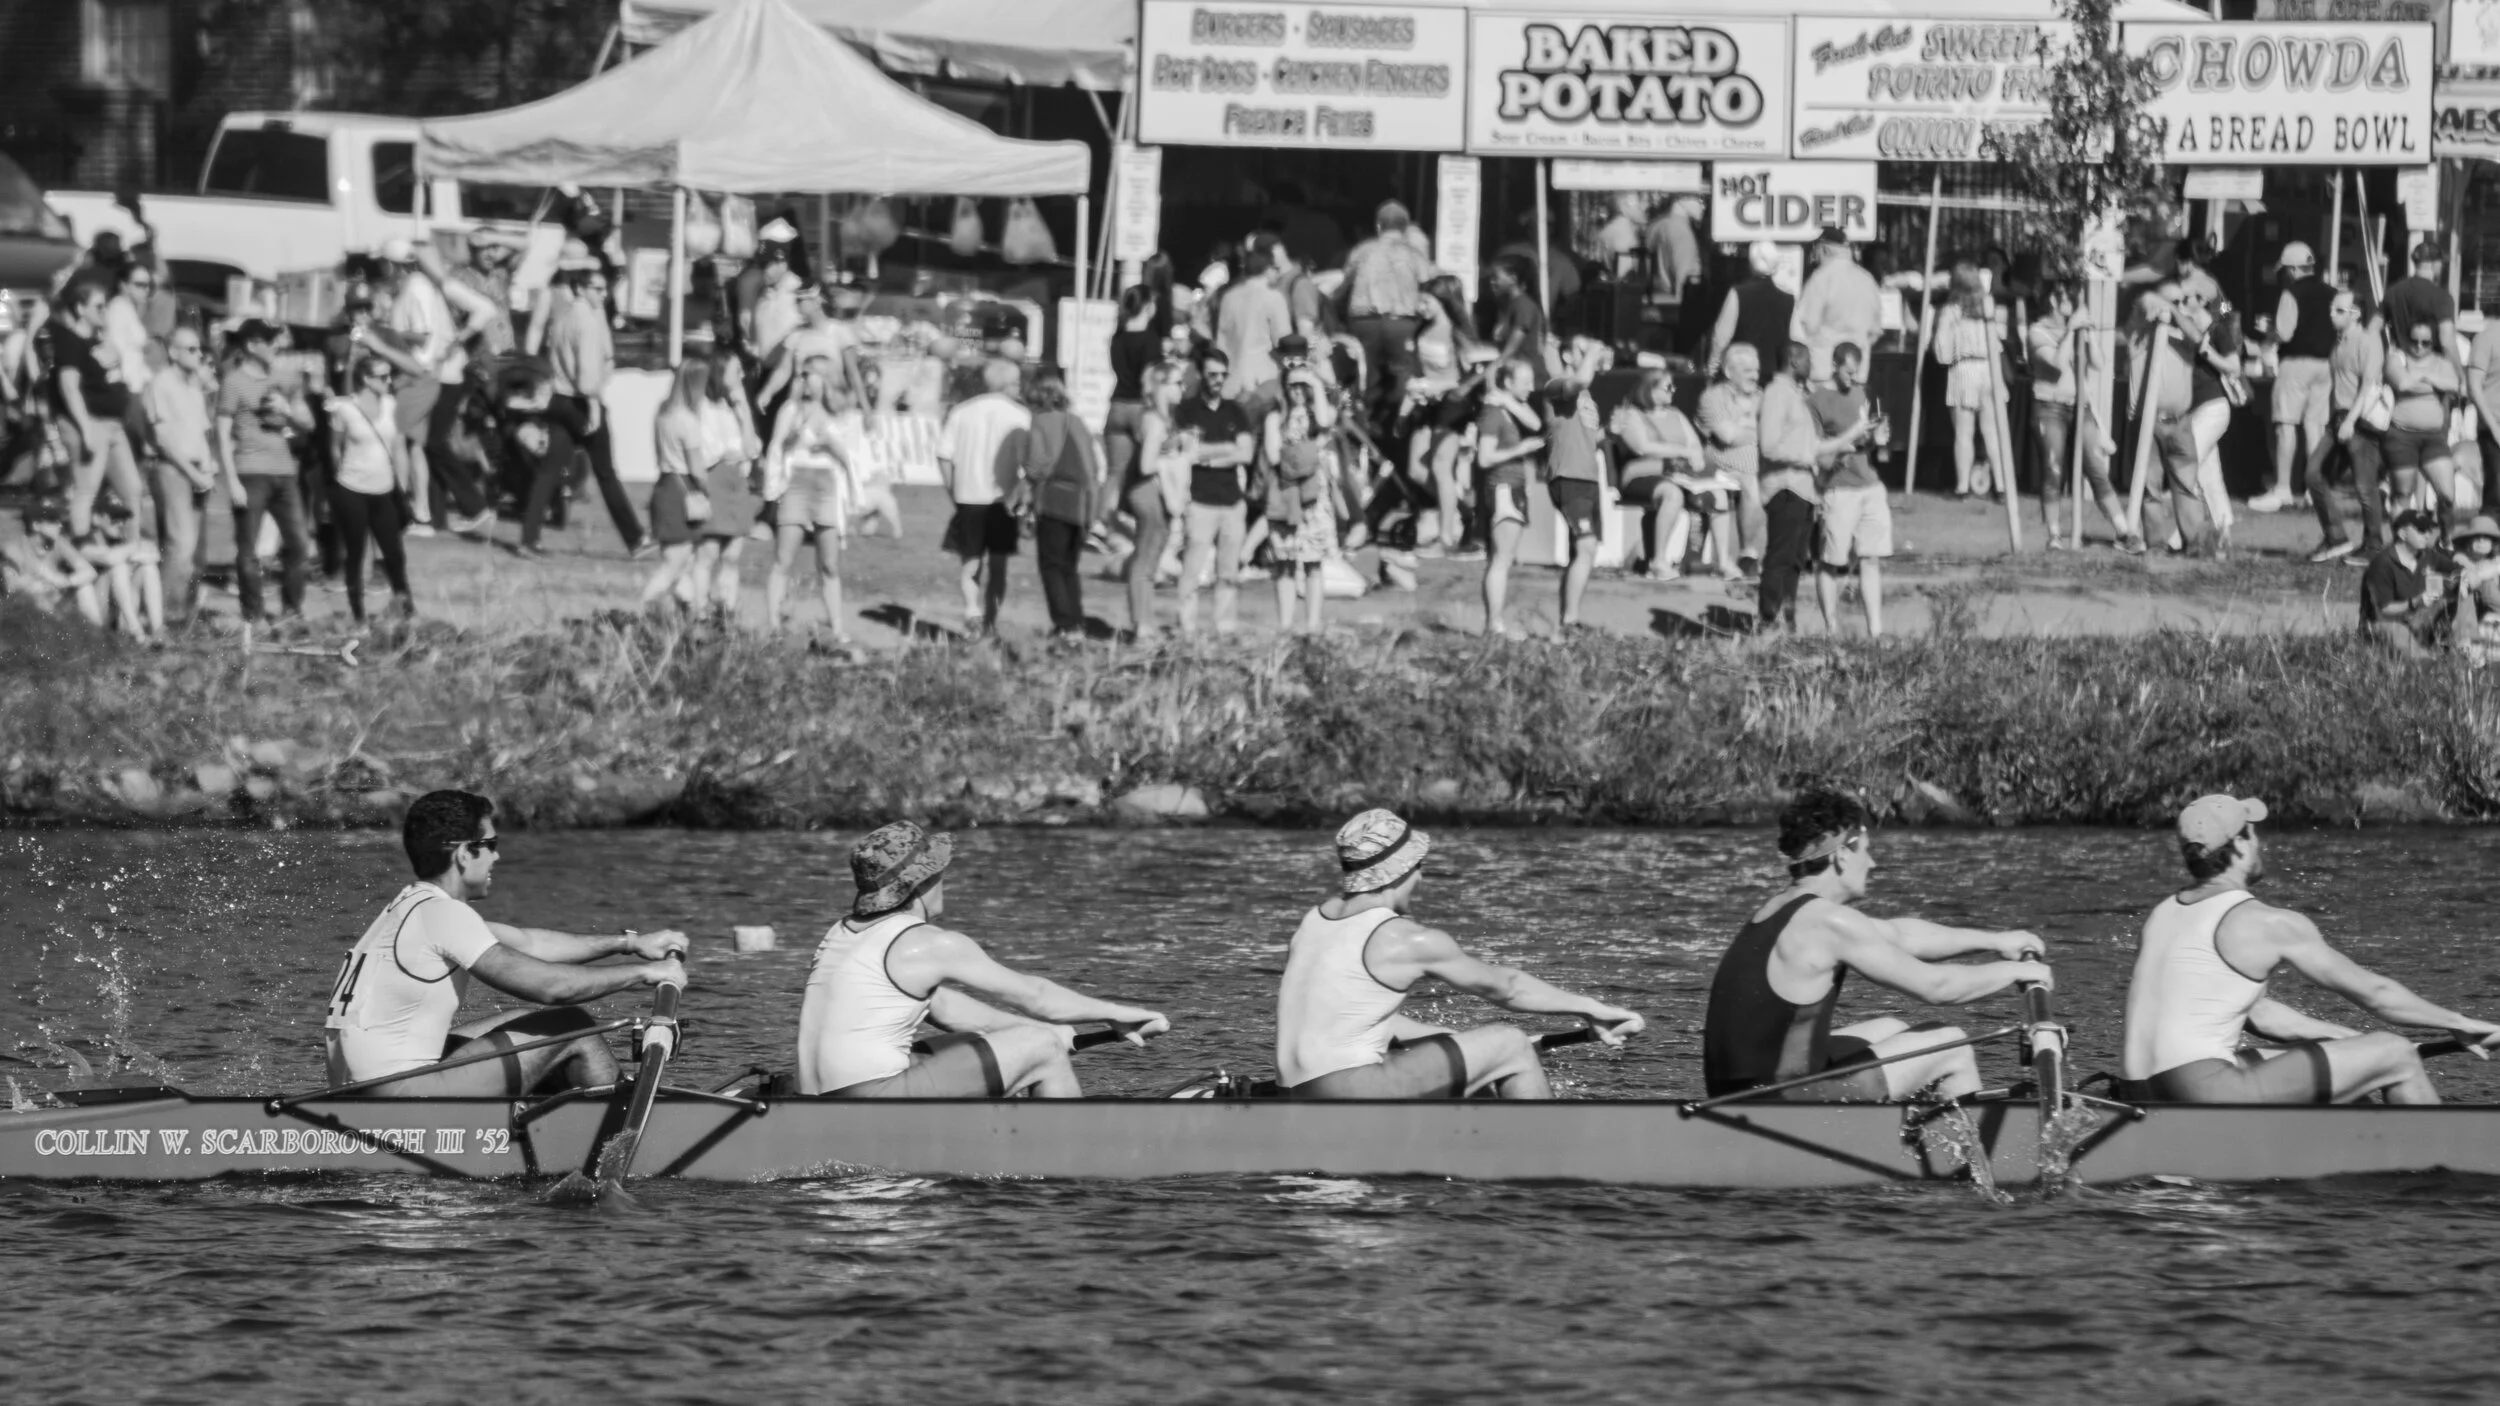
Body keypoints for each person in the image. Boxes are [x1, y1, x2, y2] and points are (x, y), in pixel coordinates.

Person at [2120, 794, 2500, 1104]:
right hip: (2201, 1090)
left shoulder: (2163, 915)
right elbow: (2378, 996)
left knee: (2361, 1063)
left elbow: (2263, 1017)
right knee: (2396, 1053)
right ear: (2237, 845)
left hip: (2141, 1093)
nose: (2260, 842)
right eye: (2252, 833)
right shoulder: (2266, 922)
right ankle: (2436, 1168)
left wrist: (2347, 1041)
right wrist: (2461, 1023)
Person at [324, 790, 689, 1095]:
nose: (497, 855)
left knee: (528, 1022)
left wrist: (631, 944)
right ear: (464, 853)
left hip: (357, 1089)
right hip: (397, 1098)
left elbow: (530, 943)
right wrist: (647, 972)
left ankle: (565, 1109)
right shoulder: (444, 916)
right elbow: (553, 988)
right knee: (575, 1026)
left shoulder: (411, 908)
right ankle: (613, 1130)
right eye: (491, 844)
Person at [1703, 787, 2051, 1102]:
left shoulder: (1787, 909)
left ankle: (1914, 1124)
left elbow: (1901, 936)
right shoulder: (1828, 922)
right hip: (1775, 1105)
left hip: (1736, 1091)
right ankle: (1961, 1162)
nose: (1873, 863)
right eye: (1867, 853)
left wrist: (1996, 941)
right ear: (1842, 856)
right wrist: (2018, 971)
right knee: (1952, 1045)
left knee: (1892, 1029)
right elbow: (1938, 988)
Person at [1278, 810, 1644, 1099]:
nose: (1421, 877)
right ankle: (1549, 1150)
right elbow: (1508, 988)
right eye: (1419, 865)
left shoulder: (1314, 922)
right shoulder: (1404, 938)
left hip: (1299, 1093)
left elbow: (1373, 1025)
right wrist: (1592, 1008)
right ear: (1403, 868)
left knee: (1487, 1052)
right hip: (1350, 1092)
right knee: (1511, 1043)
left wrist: (1463, 1045)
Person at [795, 821, 1171, 1097]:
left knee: (978, 1042)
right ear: (922, 881)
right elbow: (1036, 996)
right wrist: (1114, 1012)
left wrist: (1068, 1036)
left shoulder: (841, 933)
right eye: (940, 872)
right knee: (1042, 1049)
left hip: (818, 1100)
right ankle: (1074, 1156)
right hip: (870, 1102)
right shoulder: (927, 943)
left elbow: (951, 1011)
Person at [1757, 341, 1864, 633]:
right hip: (1784, 487)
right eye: (1807, 360)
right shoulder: (1777, 394)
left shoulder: (1796, 396)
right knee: (1780, 556)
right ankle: (1768, 619)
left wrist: (1850, 437)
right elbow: (1768, 445)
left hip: (1804, 490)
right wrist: (1807, 456)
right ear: (1793, 361)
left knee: (1795, 560)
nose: (1812, 367)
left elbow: (1814, 446)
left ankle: (1787, 621)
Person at [546, 259, 648, 558]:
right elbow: (588, 373)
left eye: (606, 289)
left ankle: (528, 536)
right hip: (582, 400)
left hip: (560, 396)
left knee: (550, 471)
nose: (603, 294)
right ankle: (635, 538)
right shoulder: (587, 321)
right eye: (597, 288)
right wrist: (593, 408)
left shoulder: (565, 315)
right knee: (606, 473)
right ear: (580, 287)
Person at [216, 319, 313, 628]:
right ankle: (253, 616)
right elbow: (222, 432)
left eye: (276, 340)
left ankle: (292, 611)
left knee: (299, 545)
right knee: (248, 550)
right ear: (251, 346)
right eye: (269, 341)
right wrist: (231, 481)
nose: (275, 346)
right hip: (250, 472)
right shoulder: (233, 382)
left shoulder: (284, 379)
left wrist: (288, 409)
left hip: (284, 472)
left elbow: (309, 424)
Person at [2028, 281, 2136, 552]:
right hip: (2050, 407)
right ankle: (2054, 535)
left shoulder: (2079, 330)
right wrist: (2071, 331)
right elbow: (2057, 363)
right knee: (2053, 471)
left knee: (2096, 468)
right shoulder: (2036, 331)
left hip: (2081, 407)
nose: (2073, 304)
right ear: (2053, 300)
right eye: (2068, 299)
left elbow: (2099, 363)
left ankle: (2124, 531)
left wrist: (2088, 334)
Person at [762, 356, 862, 642]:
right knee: (783, 559)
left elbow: (851, 457)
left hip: (827, 486)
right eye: (802, 375)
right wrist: (791, 439)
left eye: (811, 375)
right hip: (796, 483)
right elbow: (776, 448)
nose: (805, 380)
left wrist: (832, 446)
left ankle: (837, 626)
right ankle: (773, 625)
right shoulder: (791, 409)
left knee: (829, 564)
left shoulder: (839, 412)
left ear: (825, 378)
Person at [39, 280, 146, 540]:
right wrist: (85, 429)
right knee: (86, 491)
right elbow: (69, 387)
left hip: (113, 425)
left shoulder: (97, 341)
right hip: (91, 424)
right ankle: (78, 550)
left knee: (132, 489)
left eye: (105, 306)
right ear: (80, 308)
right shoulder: (70, 341)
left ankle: (128, 549)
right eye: (98, 307)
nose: (104, 311)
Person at [937, 358, 1031, 636]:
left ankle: (971, 610)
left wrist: (953, 489)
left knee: (970, 561)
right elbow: (1029, 463)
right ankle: (990, 621)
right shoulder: (1020, 415)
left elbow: (944, 455)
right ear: (1008, 385)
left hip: (968, 497)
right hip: (1003, 500)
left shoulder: (962, 411)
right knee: (999, 565)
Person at [2125, 281, 2216, 559]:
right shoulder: (2139, 332)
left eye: (2180, 302)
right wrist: (2154, 306)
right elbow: (2141, 300)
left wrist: (2174, 314)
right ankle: (2155, 544)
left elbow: (2200, 340)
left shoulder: (2185, 334)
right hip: (2146, 422)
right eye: (2171, 302)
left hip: (2179, 421)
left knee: (2187, 485)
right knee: (2149, 487)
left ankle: (2197, 545)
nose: (2177, 307)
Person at [1404, 273, 1492, 558]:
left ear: (1442, 302)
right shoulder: (1421, 330)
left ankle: (1445, 538)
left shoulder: (1457, 333)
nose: (1421, 306)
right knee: (1416, 469)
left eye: (1427, 300)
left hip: (1453, 404)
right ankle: (1463, 511)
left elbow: (1477, 371)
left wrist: (1446, 387)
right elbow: (1419, 368)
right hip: (1427, 403)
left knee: (1442, 466)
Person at [324, 355, 415, 628]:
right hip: (352, 489)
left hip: (384, 490)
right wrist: (339, 476)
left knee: (395, 554)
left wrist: (404, 487)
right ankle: (359, 616)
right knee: (355, 554)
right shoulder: (345, 409)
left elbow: (399, 447)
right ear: (366, 379)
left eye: (390, 376)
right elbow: (334, 447)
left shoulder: (390, 405)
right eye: (383, 376)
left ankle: (407, 610)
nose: (389, 381)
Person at [1173, 349, 1257, 635]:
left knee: (1228, 573)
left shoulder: (1236, 411)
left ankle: (1225, 628)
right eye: (1212, 374)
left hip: (1232, 502)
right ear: (1200, 374)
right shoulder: (1186, 410)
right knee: (1192, 572)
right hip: (1199, 502)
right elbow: (1189, 451)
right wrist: (1227, 449)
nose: (1218, 380)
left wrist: (1210, 454)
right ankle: (1187, 629)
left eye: (1223, 375)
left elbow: (1246, 453)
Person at [1016, 368, 1102, 639]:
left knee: (1051, 566)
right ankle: (1076, 623)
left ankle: (1064, 625)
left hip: (1053, 501)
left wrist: (1025, 478)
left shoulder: (1041, 421)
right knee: (1068, 567)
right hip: (1082, 503)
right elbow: (1093, 466)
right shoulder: (1076, 421)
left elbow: (1038, 465)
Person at [1811, 343, 1889, 637]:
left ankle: (1876, 632)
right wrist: (1853, 436)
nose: (1852, 378)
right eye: (1847, 372)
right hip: (1838, 486)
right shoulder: (1817, 400)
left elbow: (1862, 442)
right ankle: (1831, 627)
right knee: (1832, 561)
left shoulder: (1860, 392)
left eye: (1856, 372)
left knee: (1871, 558)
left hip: (1868, 483)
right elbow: (1817, 450)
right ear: (1834, 365)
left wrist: (1874, 438)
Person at [141, 325, 217, 624]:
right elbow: (163, 439)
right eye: (191, 349)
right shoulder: (160, 384)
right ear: (173, 352)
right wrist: (192, 472)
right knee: (180, 545)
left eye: (200, 349)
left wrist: (208, 464)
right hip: (173, 470)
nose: (199, 354)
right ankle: (168, 615)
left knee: (194, 550)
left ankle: (186, 611)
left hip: (197, 470)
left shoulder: (193, 385)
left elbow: (200, 430)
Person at [1610, 366, 1712, 581]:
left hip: (1676, 476)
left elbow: (1695, 445)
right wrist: (1682, 451)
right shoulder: (1631, 415)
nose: (1673, 391)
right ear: (1650, 389)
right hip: (1641, 475)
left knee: (1718, 494)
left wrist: (1695, 457)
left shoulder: (1676, 415)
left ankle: (1719, 562)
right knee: (1672, 494)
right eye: (1667, 386)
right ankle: (1659, 561)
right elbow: (1642, 447)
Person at [1341, 201, 1434, 434]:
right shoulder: (1414, 254)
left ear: (1378, 226)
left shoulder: (1362, 250)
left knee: (1366, 380)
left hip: (1365, 322)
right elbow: (1430, 287)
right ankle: (1397, 426)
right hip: (1402, 323)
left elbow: (1343, 285)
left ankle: (1365, 429)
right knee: (1403, 377)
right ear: (1405, 227)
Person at [2313, 288, 2389, 564]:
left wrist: (2351, 420)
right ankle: (2336, 537)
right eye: (2332, 310)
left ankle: (2373, 545)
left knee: (2364, 486)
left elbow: (2368, 385)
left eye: (2339, 311)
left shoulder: (2365, 341)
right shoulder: (2339, 343)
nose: (2332, 315)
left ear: (2355, 314)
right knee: (2313, 474)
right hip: (2338, 419)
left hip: (2359, 421)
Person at [639, 357, 719, 615]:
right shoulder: (688, 421)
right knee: (676, 562)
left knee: (681, 561)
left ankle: (682, 612)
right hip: (682, 489)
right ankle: (642, 608)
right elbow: (696, 468)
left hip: (664, 485)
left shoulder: (662, 413)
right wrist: (708, 488)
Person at [1262, 364, 1338, 634]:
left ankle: (1313, 626)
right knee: (1284, 563)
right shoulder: (1275, 418)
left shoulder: (1318, 415)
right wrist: (1309, 453)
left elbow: (1326, 422)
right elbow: (1274, 456)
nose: (1297, 391)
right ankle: (1285, 626)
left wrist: (1316, 383)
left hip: (1314, 499)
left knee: (1313, 563)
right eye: (1292, 385)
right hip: (1285, 496)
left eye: (1302, 386)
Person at [2264, 241, 2335, 515]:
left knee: (2286, 424)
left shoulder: (2290, 293)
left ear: (2293, 269)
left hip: (2295, 363)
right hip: (2325, 365)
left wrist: (2268, 330)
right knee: (2314, 427)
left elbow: (2285, 332)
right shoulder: (2332, 293)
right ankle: (2312, 489)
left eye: (2286, 270)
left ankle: (2283, 487)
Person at [1474, 358, 1544, 637]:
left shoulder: (1507, 409)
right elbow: (1484, 457)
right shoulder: (1493, 414)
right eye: (1525, 382)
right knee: (1500, 559)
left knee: (1502, 558)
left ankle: (1495, 622)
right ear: (1507, 383)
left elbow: (1535, 422)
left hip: (1510, 487)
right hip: (1502, 487)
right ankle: (1495, 624)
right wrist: (1521, 448)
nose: (1531, 387)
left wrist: (1508, 400)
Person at [1121, 361, 1189, 641]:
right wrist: (1173, 458)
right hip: (1148, 493)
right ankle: (1142, 625)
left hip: (1155, 494)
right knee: (1145, 561)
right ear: (1161, 386)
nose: (1183, 389)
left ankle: (1145, 623)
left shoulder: (1163, 418)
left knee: (1150, 563)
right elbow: (1147, 464)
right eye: (1177, 383)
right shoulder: (1155, 420)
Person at [1933, 261, 2010, 500]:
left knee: (1964, 434)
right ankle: (2000, 486)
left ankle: (1963, 486)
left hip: (1964, 369)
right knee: (1992, 432)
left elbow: (1941, 352)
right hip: (1988, 369)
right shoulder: (1988, 306)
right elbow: (2000, 339)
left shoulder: (1951, 310)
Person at [1696, 343, 1766, 579]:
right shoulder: (1713, 397)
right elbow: (1727, 436)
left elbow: (1778, 432)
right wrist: (1759, 431)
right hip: (1721, 466)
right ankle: (1748, 554)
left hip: (1761, 465)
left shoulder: (1763, 397)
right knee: (1752, 484)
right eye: (1748, 371)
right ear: (1729, 372)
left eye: (1756, 370)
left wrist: (1745, 428)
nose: (1755, 376)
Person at [2382, 318, 2465, 516]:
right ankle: (2401, 541)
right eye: (2414, 341)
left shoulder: (2442, 362)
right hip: (2402, 435)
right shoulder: (2397, 358)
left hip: (2434, 437)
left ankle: (2445, 542)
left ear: (2433, 342)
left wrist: (2420, 377)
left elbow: (2456, 385)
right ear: (2406, 339)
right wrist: (2435, 382)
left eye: (2425, 342)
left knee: (2447, 495)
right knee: (2403, 494)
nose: (2419, 347)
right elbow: (2401, 383)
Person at [1541, 378, 1605, 631]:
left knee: (1580, 553)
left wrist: (1610, 432)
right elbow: (1572, 383)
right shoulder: (1559, 384)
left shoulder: (1587, 397)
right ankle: (1569, 621)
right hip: (1568, 477)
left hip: (1588, 477)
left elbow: (1585, 438)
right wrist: (1589, 356)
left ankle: (1569, 621)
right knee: (1586, 546)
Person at [1103, 284, 1163, 529]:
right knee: (1142, 468)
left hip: (1116, 405)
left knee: (1115, 472)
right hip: (1140, 407)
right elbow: (1148, 380)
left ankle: (1103, 522)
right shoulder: (1150, 340)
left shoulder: (1117, 337)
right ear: (1148, 307)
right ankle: (1140, 518)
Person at [1791, 228, 1882, 386]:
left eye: (1816, 249)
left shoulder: (1820, 279)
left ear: (1823, 248)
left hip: (1825, 374)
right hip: (1857, 375)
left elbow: (1805, 327)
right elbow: (1875, 331)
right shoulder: (1868, 280)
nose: (1814, 255)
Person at [2359, 508, 2454, 652]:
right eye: (2421, 530)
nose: (2428, 535)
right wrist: (2415, 602)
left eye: (2429, 530)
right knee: (2419, 659)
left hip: (2416, 622)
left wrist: (2466, 575)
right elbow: (2383, 610)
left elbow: (2457, 567)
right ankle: (2426, 664)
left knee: (2458, 604)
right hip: (2384, 625)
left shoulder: (2428, 555)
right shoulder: (2382, 564)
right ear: (2402, 534)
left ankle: (2469, 656)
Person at [3, 501, 104, 624]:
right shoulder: (14, 546)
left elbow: (90, 572)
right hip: (25, 603)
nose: (60, 525)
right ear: (36, 525)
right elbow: (11, 585)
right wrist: (39, 576)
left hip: (54, 595)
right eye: (53, 521)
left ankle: (95, 636)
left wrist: (65, 581)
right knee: (37, 590)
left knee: (85, 587)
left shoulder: (59, 543)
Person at [1709, 242, 1794, 387]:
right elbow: (1795, 340)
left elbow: (1721, 337)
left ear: (1750, 264)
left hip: (1741, 375)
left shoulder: (1738, 294)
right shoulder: (1788, 299)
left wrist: (1712, 368)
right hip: (1773, 377)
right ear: (1775, 266)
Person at [1216, 245, 1293, 403]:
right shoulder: (1273, 298)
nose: (1278, 274)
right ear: (1268, 269)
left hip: (1233, 382)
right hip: (1265, 381)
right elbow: (1284, 342)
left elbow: (1221, 344)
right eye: (1276, 269)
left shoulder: (1229, 297)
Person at [2382, 241, 2461, 367]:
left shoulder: (2393, 292)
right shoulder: (2441, 297)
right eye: (2441, 263)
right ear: (2435, 264)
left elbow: (2374, 328)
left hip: (2401, 366)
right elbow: (2447, 341)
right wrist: (2460, 376)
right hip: (2430, 368)